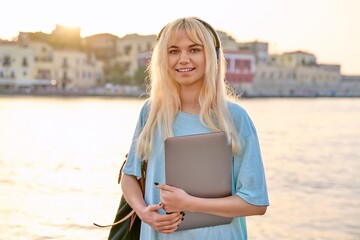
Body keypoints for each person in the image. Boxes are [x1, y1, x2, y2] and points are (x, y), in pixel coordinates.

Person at [121, 16, 269, 240]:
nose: (183, 59)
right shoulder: (151, 112)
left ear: (212, 56)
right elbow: (129, 176)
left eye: (194, 49)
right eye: (173, 51)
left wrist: (189, 203)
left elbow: (255, 203)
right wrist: (144, 213)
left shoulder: (235, 118)